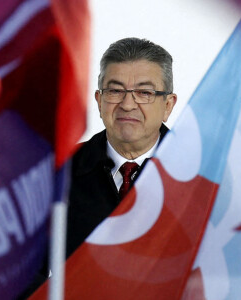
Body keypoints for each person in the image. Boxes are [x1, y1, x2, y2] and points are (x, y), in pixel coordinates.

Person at [66, 37, 177, 257]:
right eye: (115, 91)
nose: (127, 105)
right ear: (99, 101)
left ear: (167, 105)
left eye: (144, 93)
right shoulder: (61, 171)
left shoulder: (202, 174)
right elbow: (23, 271)